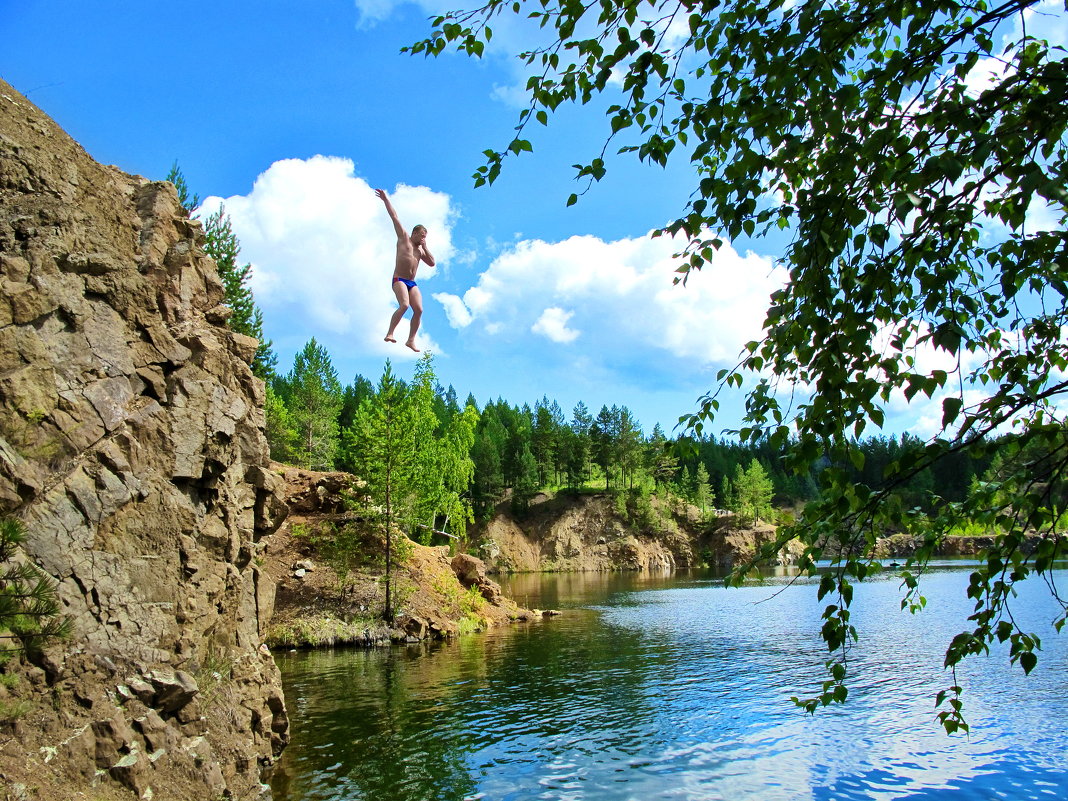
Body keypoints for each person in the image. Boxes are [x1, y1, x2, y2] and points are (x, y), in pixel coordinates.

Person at [376, 188, 435, 352]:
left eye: (425, 237)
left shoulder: (421, 250)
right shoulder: (403, 238)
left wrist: (425, 246)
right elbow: (394, 217)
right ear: (414, 233)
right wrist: (385, 199)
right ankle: (390, 333)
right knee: (404, 305)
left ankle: (410, 340)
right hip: (399, 279)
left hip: (412, 282)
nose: (423, 239)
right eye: (422, 236)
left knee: (419, 309)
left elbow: (432, 263)